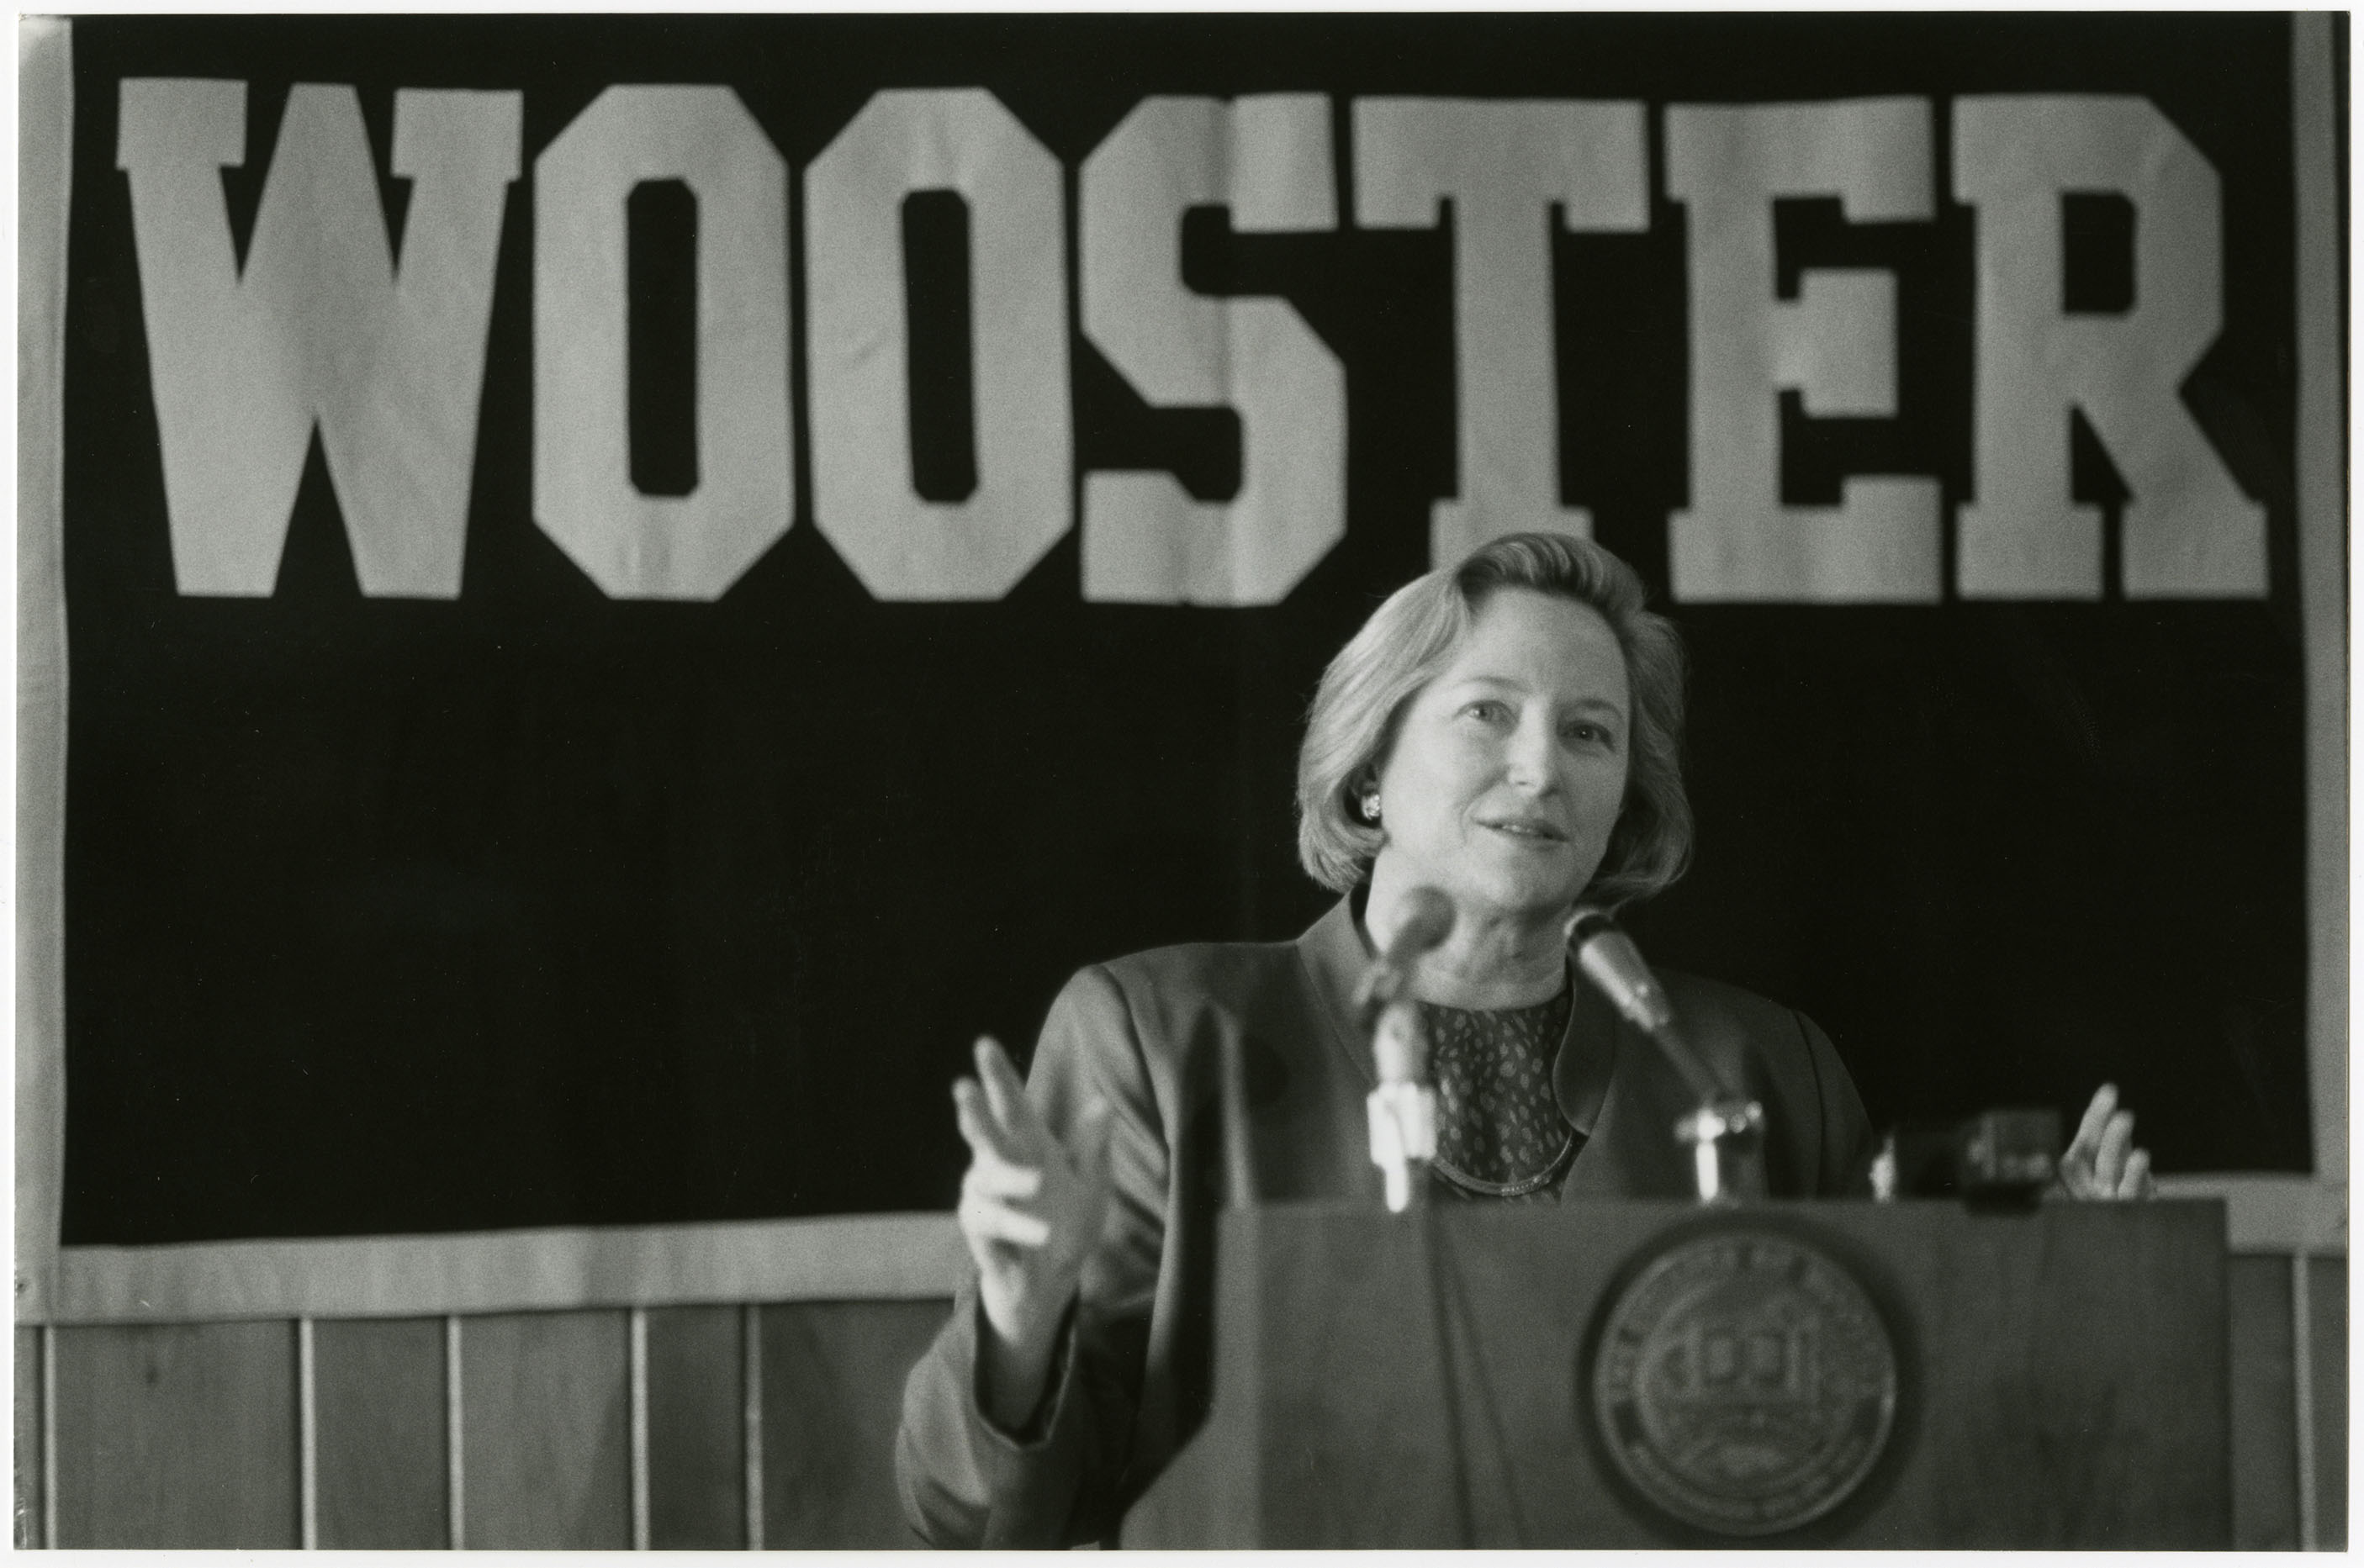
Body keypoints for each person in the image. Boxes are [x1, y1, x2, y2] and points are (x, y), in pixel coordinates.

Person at [896, 532, 2153, 1548]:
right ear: (1371, 767)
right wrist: (1018, 1326)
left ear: (1626, 805)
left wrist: (2064, 1297)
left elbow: (1888, 1448)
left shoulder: (1762, 1067)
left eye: (1591, 732)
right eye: (1488, 714)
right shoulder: (1162, 1040)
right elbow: (980, 1522)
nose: (1541, 767)